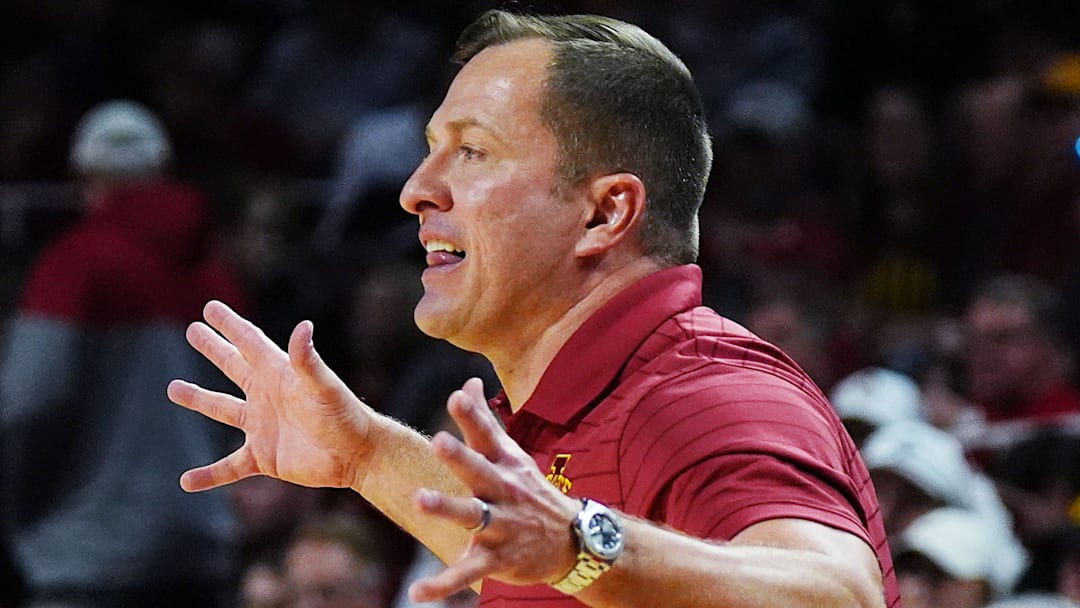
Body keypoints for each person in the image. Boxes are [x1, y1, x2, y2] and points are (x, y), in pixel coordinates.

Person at [168, 10, 899, 607]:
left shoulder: (701, 393)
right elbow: (543, 562)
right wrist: (363, 453)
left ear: (604, 213)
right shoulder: (581, 410)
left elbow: (836, 594)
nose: (416, 188)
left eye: (474, 152)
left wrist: (583, 545)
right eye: (431, 149)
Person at [0, 99, 247, 607]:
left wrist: (21, 510)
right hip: (200, 549)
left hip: (86, 557)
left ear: (86, 178)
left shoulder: (73, 264)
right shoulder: (214, 275)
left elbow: (28, 403)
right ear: (162, 170)